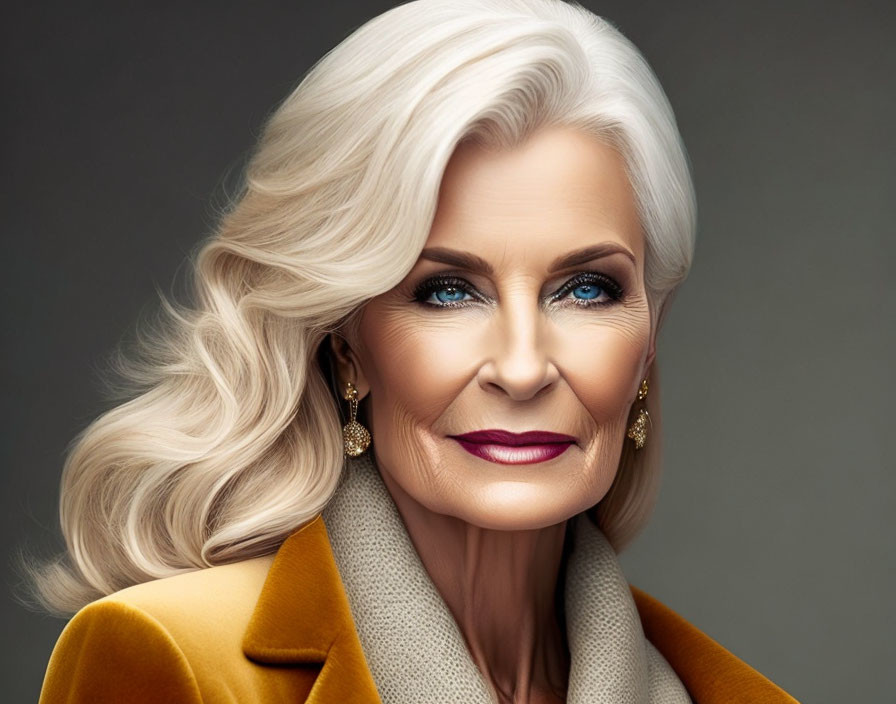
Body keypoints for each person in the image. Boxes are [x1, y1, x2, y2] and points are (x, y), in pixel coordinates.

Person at [29, 0, 798, 702]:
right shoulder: (171, 664)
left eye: (586, 290)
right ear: (348, 342)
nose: (523, 367)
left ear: (650, 336)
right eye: (449, 291)